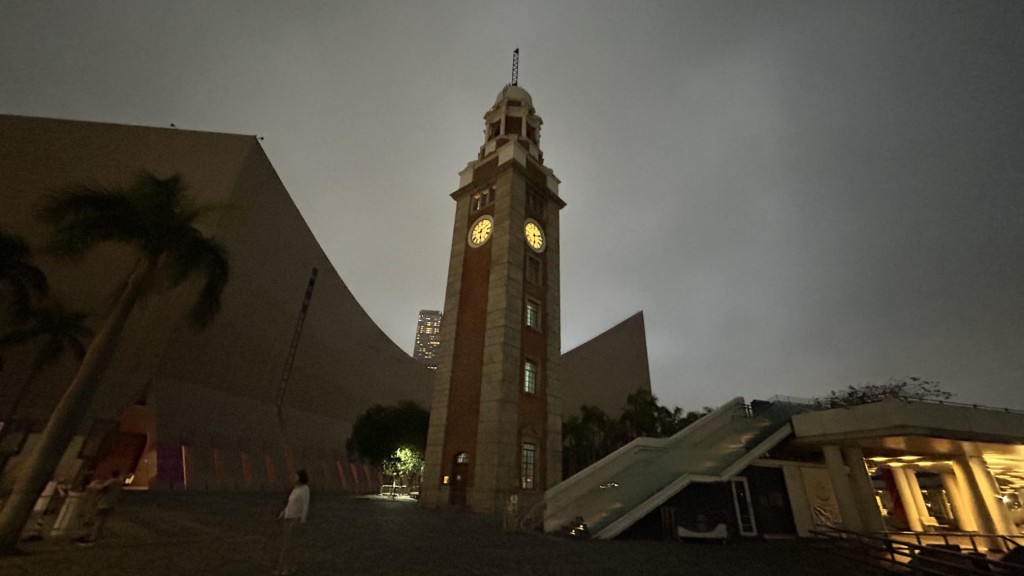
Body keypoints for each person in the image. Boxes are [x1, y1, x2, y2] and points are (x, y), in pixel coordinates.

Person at [275, 469, 309, 575]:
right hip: (288, 517)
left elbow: (305, 505)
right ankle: (290, 566)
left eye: (296, 477)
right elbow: (290, 503)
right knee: (289, 544)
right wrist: (283, 512)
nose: (294, 478)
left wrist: (302, 519)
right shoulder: (295, 489)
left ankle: (283, 568)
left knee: (287, 545)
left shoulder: (304, 489)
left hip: (295, 518)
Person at [76, 470, 124, 545]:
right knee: (101, 521)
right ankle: (97, 536)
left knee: (97, 520)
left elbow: (101, 488)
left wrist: (92, 486)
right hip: (110, 504)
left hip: (103, 503)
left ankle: (92, 537)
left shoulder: (111, 482)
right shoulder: (119, 483)